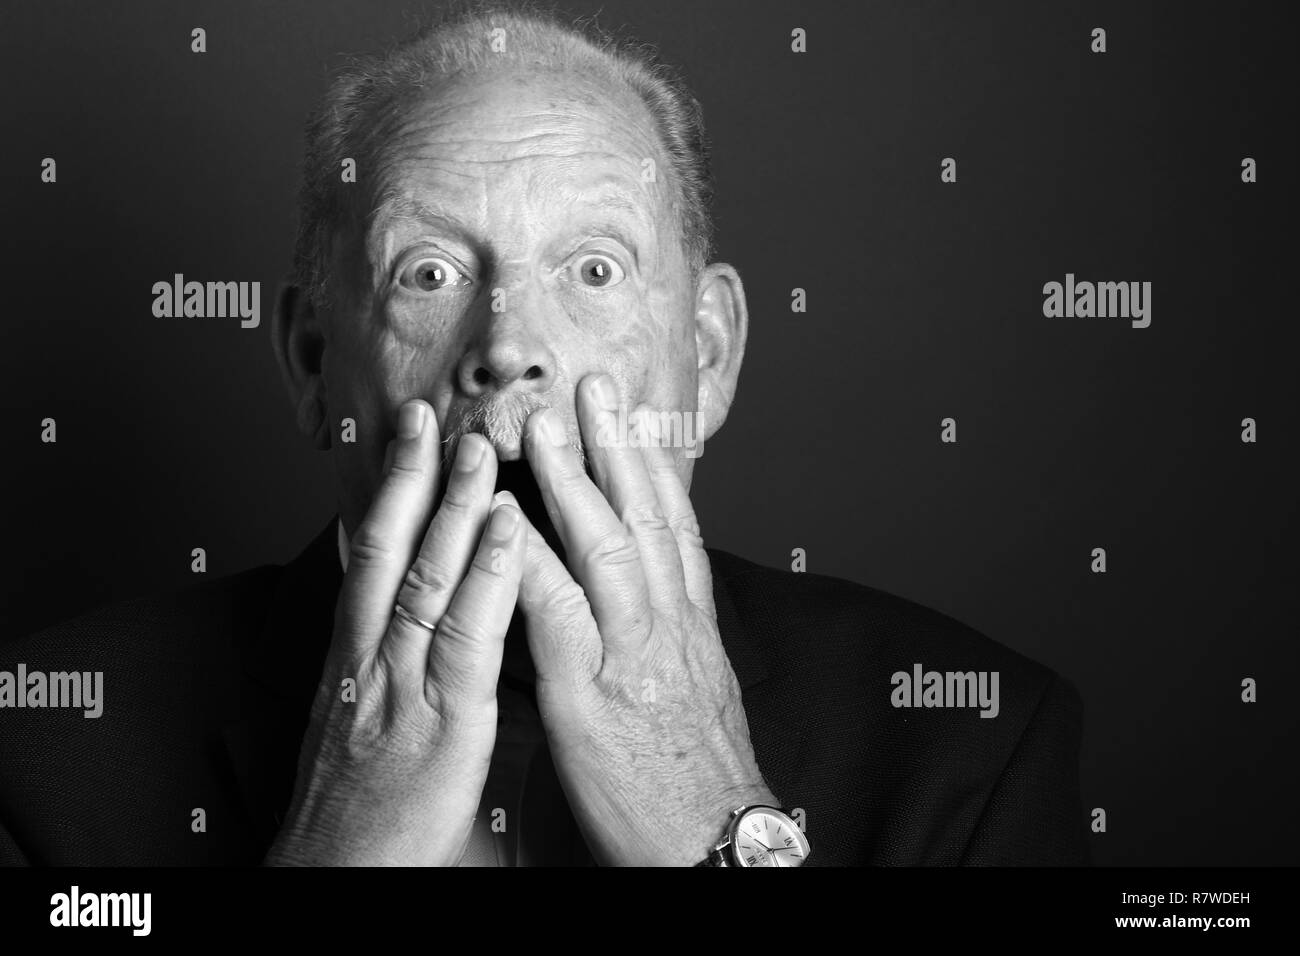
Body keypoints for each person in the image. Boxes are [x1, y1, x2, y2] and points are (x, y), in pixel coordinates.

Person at [0, 4, 1088, 867]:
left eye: (594, 270)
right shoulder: (46, 747)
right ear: (311, 360)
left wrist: (714, 823)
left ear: (705, 356)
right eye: (428, 273)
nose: (510, 342)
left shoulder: (971, 742)